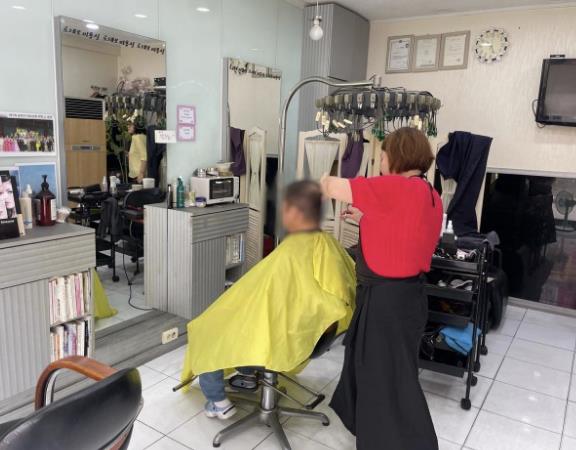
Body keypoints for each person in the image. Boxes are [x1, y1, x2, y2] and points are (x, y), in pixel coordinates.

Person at [181, 180, 356, 420]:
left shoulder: (300, 245)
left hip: (285, 328)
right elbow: (338, 290)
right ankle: (247, 372)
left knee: (206, 328)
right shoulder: (324, 242)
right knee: (230, 319)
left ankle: (218, 401)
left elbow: (272, 288)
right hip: (303, 325)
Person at [321, 127, 442, 450]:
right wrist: (365, 217)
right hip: (408, 300)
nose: (381, 162)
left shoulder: (396, 187)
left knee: (382, 377)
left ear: (397, 157)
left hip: (386, 304)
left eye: (384, 156)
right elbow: (401, 234)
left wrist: (320, 178)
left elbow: (331, 185)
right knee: (393, 374)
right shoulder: (429, 194)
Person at [128, 117, 147, 183]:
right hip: (137, 174)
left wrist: (141, 174)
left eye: (131, 125)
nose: (128, 127)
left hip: (138, 176)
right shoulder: (142, 136)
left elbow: (144, 156)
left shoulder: (137, 138)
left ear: (137, 126)